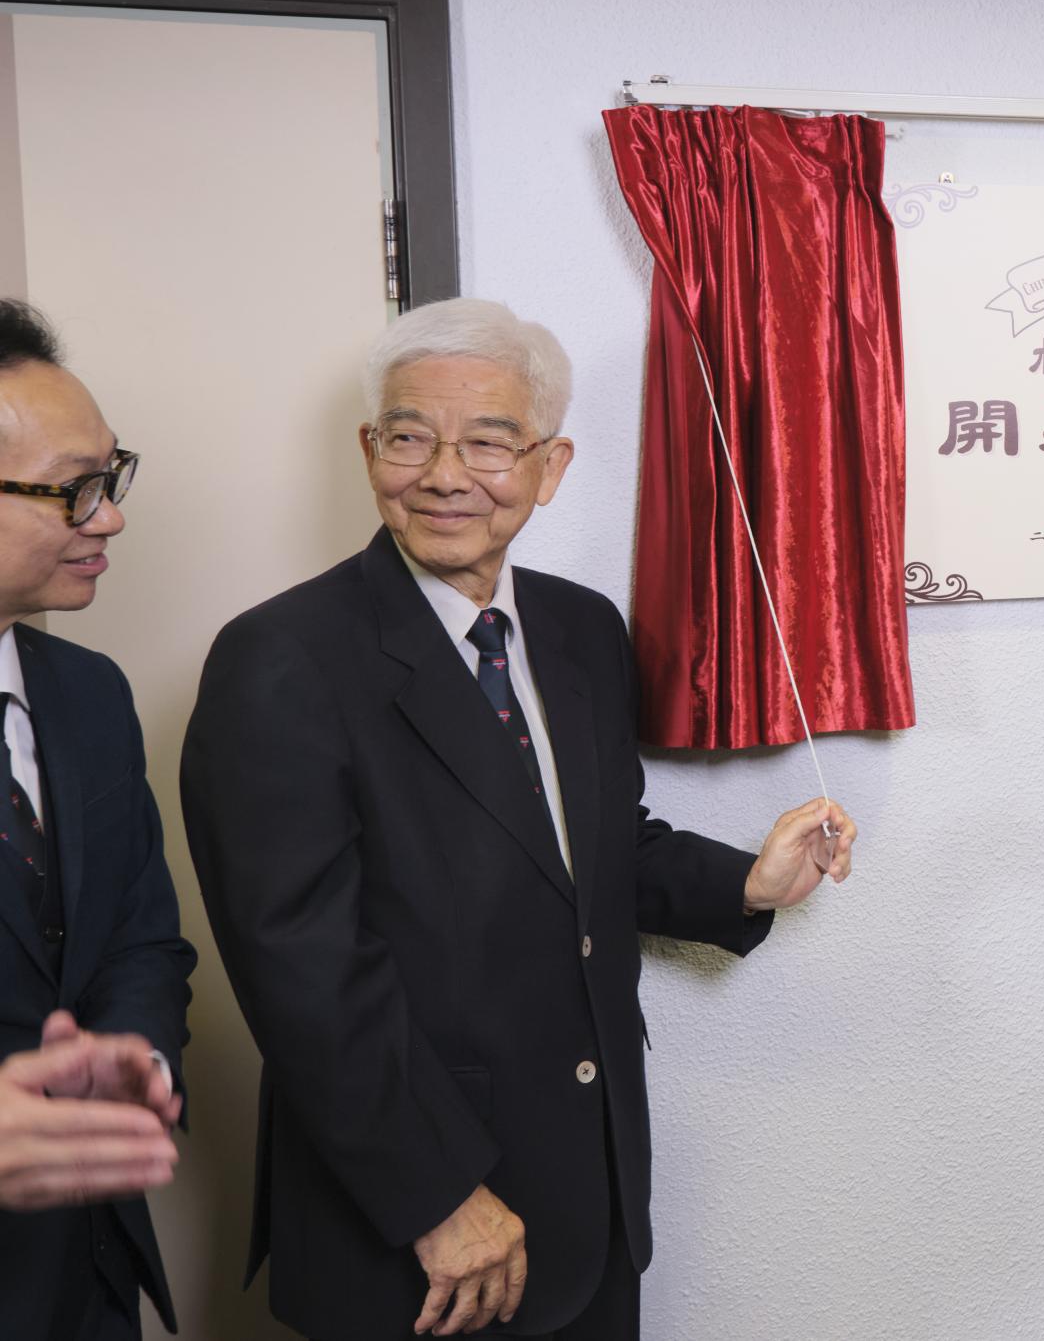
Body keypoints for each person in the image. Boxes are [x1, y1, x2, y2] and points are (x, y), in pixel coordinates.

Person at [179, 298, 859, 1341]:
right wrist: (437, 1195)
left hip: (588, 1193)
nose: (445, 474)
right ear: (369, 450)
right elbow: (300, 969)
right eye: (410, 437)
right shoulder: (280, 656)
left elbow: (586, 849)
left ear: (549, 465)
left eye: (490, 441)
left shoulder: (581, 627)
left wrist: (745, 882)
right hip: (417, 1222)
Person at [0, 299, 195, 1340]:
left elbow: (141, 939)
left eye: (110, 476)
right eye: (74, 487)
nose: (109, 517)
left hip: (92, 1278)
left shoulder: (89, 692)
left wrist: (136, 1065)